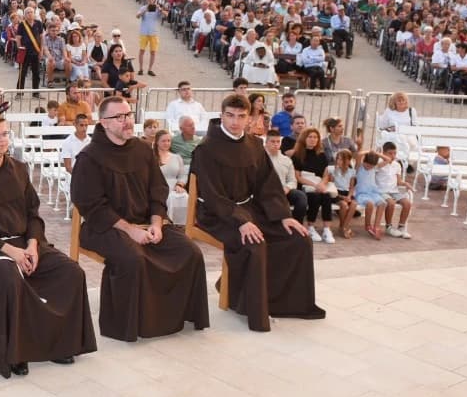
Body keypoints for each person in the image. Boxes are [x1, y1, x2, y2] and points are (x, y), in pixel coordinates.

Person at [0, 113, 96, 376]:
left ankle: (56, 343)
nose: (2, 140)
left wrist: (33, 245)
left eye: (5, 134)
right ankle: (13, 351)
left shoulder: (18, 169)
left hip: (24, 243)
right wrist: (11, 251)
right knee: (8, 279)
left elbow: (33, 214)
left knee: (71, 272)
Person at [70, 97, 210, 341]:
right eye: (119, 117)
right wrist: (130, 230)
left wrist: (157, 223)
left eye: (128, 115)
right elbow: (92, 206)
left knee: (190, 252)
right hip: (104, 226)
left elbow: (158, 190)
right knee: (133, 259)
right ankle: (131, 325)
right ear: (104, 123)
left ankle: (173, 316)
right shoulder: (89, 157)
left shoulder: (143, 149)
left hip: (147, 222)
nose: (127, 121)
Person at [189, 93, 325, 331]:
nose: (235, 122)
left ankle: (282, 303)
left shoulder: (254, 145)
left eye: (241, 116)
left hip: (250, 208)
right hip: (216, 213)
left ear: (249, 118)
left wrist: (283, 216)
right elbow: (212, 194)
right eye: (230, 115)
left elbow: (267, 184)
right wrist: (240, 221)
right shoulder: (206, 149)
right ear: (221, 116)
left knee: (298, 238)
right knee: (254, 243)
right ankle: (249, 306)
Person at [152, 127, 190, 225]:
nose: (167, 143)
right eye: (163, 141)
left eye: (169, 141)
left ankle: (181, 225)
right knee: (169, 198)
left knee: (184, 197)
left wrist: (179, 185)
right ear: (157, 142)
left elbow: (182, 175)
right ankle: (167, 223)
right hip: (158, 189)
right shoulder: (151, 157)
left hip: (174, 188)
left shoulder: (177, 157)